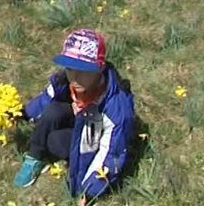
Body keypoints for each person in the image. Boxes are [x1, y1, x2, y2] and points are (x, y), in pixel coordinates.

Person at [13, 29, 135, 205]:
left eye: (84, 71)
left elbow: (112, 151)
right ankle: (34, 157)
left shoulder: (117, 107)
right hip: (79, 119)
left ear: (100, 68)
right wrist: (21, 113)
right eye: (70, 68)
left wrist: (90, 189)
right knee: (53, 109)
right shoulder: (65, 80)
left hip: (94, 134)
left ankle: (68, 155)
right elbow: (45, 99)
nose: (75, 77)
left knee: (55, 140)